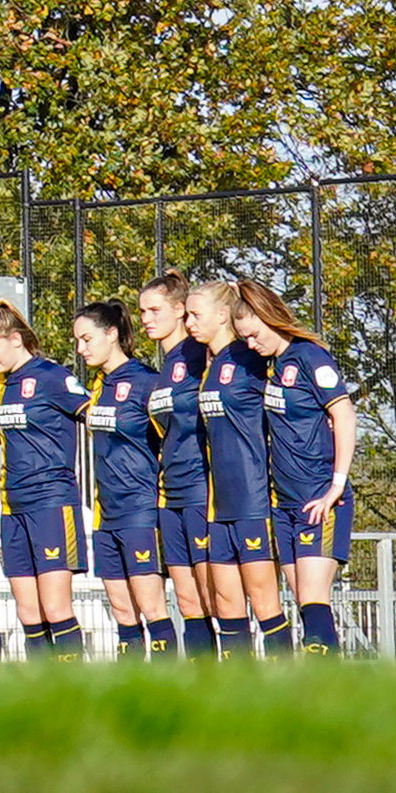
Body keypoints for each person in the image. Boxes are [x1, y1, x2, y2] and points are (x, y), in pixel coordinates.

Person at [229, 279, 357, 654]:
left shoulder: (310, 357)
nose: (251, 344)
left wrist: (336, 486)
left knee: (315, 601)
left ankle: (330, 689)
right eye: (244, 339)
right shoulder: (273, 366)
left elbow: (344, 416)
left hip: (318, 499)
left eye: (253, 335)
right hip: (284, 504)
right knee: (303, 601)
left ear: (269, 317)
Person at [180, 276, 283, 652]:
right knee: (226, 604)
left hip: (253, 498)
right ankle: (239, 697)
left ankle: (289, 692)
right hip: (218, 504)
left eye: (195, 314)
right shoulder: (208, 366)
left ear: (223, 314)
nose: (189, 322)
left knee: (265, 601)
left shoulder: (249, 357)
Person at [0, 302, 87, 661]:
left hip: (51, 503)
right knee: (28, 612)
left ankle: (74, 689)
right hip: (13, 506)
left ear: (15, 339)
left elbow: (94, 412)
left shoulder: (52, 376)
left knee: (56, 607)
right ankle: (42, 690)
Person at [75, 300, 174, 665]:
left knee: (151, 605)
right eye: (78, 341)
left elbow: (173, 441)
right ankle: (130, 687)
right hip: (106, 513)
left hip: (140, 511)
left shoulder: (146, 382)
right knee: (121, 608)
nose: (81, 349)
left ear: (111, 333)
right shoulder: (100, 385)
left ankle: (166, 683)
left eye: (87, 339)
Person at [140, 270, 219, 653]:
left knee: (215, 596)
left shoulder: (199, 353)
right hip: (169, 492)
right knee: (188, 601)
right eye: (142, 312)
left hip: (201, 488)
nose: (146, 319)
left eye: (154, 310)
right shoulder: (164, 368)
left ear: (179, 309)